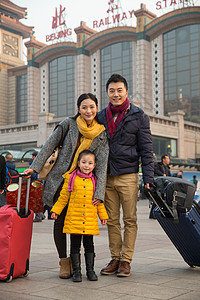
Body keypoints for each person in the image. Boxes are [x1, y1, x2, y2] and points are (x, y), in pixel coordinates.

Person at [24, 93, 109, 279]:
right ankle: (64, 261)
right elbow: (49, 145)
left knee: (80, 226)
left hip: (83, 185)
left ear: (97, 108)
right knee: (60, 222)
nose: (88, 111)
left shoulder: (102, 133)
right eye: (84, 107)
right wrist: (34, 167)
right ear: (78, 109)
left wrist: (99, 193)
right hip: (59, 180)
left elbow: (101, 166)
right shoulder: (68, 124)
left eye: (92, 107)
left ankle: (78, 263)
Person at [98, 73, 154, 277]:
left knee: (130, 219)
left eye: (119, 90)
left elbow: (146, 150)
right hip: (106, 175)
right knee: (112, 220)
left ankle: (126, 260)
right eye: (112, 90)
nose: (116, 94)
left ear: (126, 91)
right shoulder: (101, 115)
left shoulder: (139, 116)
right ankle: (115, 257)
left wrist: (148, 178)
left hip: (129, 175)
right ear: (107, 93)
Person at [51, 150, 108, 282]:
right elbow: (63, 198)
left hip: (89, 220)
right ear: (78, 163)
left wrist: (103, 216)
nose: (86, 166)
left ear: (94, 166)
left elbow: (98, 201)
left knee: (89, 245)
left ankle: (90, 270)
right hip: (74, 220)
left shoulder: (95, 181)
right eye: (83, 162)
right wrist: (56, 210)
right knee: (75, 245)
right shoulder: (70, 178)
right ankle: (76, 271)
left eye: (90, 163)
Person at [149, 154, 171, 219]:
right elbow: (154, 170)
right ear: (163, 159)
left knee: (160, 200)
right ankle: (152, 214)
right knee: (157, 199)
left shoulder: (167, 168)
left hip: (165, 186)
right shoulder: (158, 165)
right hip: (159, 185)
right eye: (167, 159)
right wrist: (162, 174)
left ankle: (155, 214)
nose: (169, 160)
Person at [29, 151, 45, 222]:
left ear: (34, 156)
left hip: (36, 183)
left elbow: (33, 174)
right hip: (42, 182)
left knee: (36, 200)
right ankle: (41, 215)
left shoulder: (34, 163)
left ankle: (39, 216)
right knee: (40, 200)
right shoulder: (43, 161)